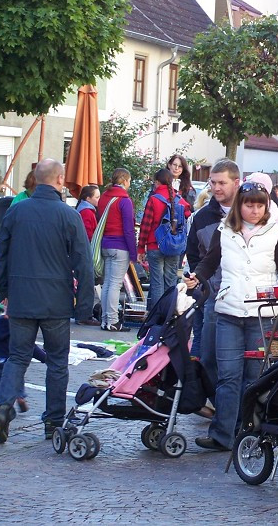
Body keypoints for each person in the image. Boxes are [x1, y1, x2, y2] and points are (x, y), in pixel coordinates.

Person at [185, 180, 278, 451]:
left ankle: (251, 433)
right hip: (229, 310)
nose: (255, 210)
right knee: (228, 375)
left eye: (260, 205)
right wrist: (196, 277)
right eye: (249, 204)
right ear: (240, 205)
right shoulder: (224, 230)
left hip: (263, 313)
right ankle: (223, 434)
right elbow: (210, 261)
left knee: (255, 377)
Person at [0, 158, 94, 443]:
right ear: (60, 180)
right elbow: (83, 263)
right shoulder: (68, 215)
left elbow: (2, 256)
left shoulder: (16, 211)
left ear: (36, 179)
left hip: (22, 298)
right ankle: (53, 422)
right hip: (56, 301)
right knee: (57, 362)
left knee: (17, 356)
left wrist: (5, 293)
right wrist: (85, 305)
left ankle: (3, 407)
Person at [186, 159, 241, 389]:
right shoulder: (201, 217)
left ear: (236, 183)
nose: (216, 188)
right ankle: (217, 403)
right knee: (209, 355)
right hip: (213, 297)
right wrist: (203, 285)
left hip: (245, 296)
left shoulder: (251, 211)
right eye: (213, 182)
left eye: (222, 183)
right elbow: (194, 255)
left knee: (241, 359)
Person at [138, 168, 192, 313]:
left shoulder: (154, 199)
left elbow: (146, 225)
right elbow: (189, 218)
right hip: (174, 246)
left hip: (155, 245)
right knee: (170, 282)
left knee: (157, 283)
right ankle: (168, 315)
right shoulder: (180, 200)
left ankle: (156, 315)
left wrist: (140, 248)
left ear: (157, 182)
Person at [0, 305, 47, 417]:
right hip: (11, 360)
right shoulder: (16, 328)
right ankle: (20, 397)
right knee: (17, 377)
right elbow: (30, 347)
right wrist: (44, 358)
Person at [97, 169, 137, 332]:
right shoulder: (124, 201)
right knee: (115, 284)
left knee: (107, 283)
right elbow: (128, 229)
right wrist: (133, 252)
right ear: (125, 181)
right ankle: (113, 321)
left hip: (105, 243)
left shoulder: (104, 197)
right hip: (120, 245)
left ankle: (105, 320)